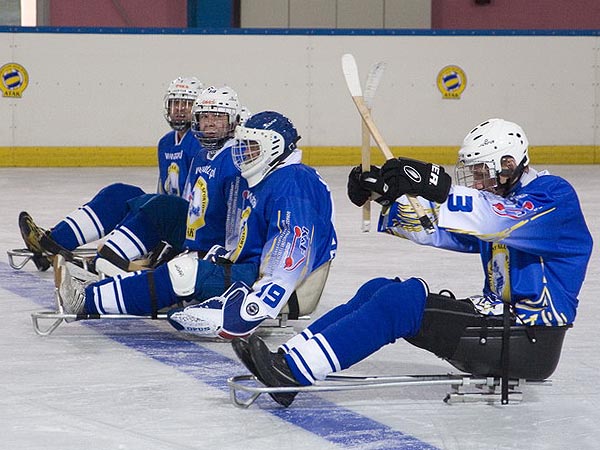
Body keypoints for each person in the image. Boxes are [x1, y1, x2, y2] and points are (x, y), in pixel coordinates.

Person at [232, 118, 593, 407]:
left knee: (400, 303)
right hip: (501, 324)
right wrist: (390, 196)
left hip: (528, 339)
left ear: (509, 164)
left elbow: (494, 219)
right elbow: (442, 230)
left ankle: (295, 372)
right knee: (380, 289)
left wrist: (437, 186)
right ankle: (290, 357)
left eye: (482, 172)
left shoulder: (552, 198)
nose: (478, 182)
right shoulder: (506, 199)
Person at [55, 110, 337, 339]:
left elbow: (290, 255)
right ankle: (97, 291)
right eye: (245, 145)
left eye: (253, 147)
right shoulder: (272, 179)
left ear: (274, 147)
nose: (244, 153)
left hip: (266, 286)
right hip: (251, 272)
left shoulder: (294, 184)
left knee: (183, 273)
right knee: (183, 264)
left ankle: (86, 301)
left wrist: (254, 307)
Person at [18, 76, 203, 271]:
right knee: (120, 193)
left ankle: (105, 259)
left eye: (187, 104)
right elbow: (164, 191)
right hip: (168, 219)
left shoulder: (200, 143)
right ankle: (53, 242)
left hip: (188, 228)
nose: (180, 109)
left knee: (153, 207)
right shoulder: (166, 142)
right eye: (176, 103)